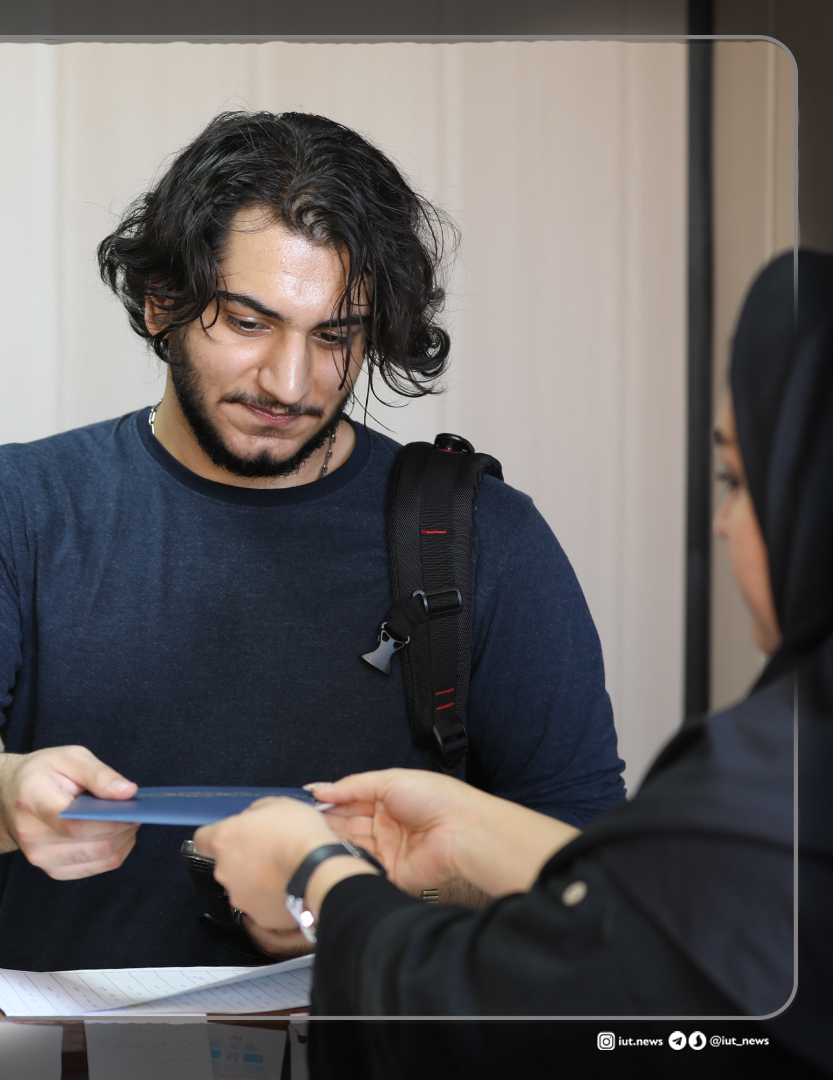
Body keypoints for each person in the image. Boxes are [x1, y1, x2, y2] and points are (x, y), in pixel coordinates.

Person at [0, 110, 627, 972]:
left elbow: (584, 857)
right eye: (250, 323)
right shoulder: (14, 507)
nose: (290, 383)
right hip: (82, 1041)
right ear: (162, 302)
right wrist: (2, 795)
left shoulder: (481, 535)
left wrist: (351, 893)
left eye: (334, 336)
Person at [192, 250, 830, 1073]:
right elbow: (662, 919)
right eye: (249, 322)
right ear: (163, 303)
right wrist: (473, 835)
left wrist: (316, 876)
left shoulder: (780, 787)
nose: (723, 522)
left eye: (736, 480)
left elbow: (544, 1022)